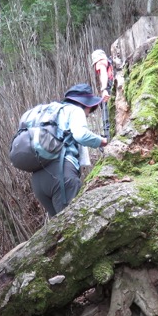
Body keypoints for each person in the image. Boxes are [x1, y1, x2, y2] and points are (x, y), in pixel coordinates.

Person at [31, 83, 107, 217]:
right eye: (90, 109)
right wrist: (101, 141)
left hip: (38, 179)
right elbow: (80, 135)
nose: (89, 114)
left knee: (59, 232)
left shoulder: (49, 113)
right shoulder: (75, 110)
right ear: (85, 104)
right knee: (74, 226)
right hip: (61, 175)